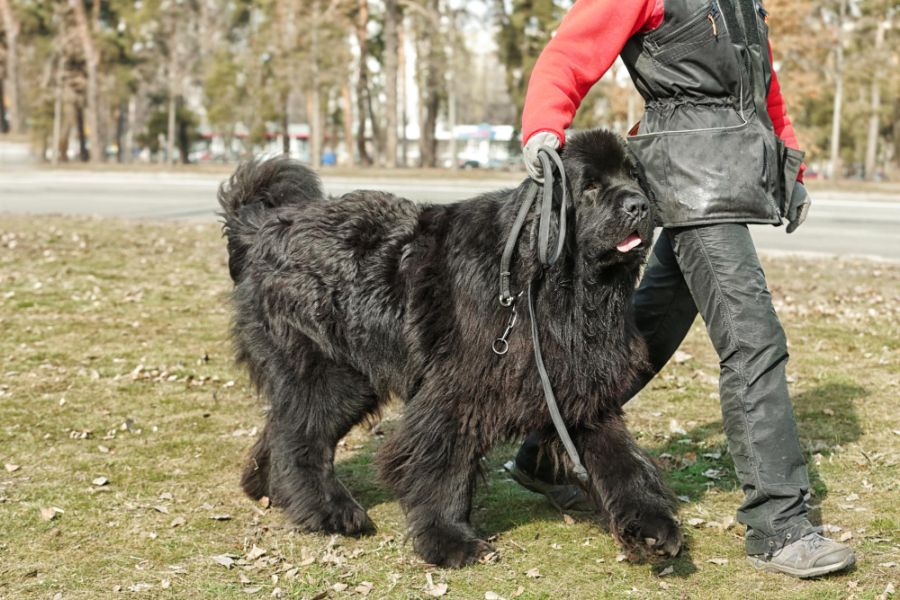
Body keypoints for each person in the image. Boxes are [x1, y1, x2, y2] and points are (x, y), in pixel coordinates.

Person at [508, 0, 856, 579]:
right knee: (753, 342)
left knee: (651, 327)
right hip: (690, 180)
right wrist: (545, 124)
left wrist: (788, 166)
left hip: (730, 176)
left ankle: (546, 451)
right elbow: (571, 50)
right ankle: (779, 525)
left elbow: (760, 89)